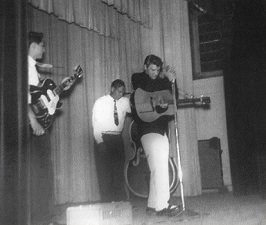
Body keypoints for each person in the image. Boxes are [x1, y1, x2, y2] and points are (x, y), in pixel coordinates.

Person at [131, 54, 180, 216]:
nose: (155, 73)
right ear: (145, 66)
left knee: (158, 167)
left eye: (158, 70)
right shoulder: (138, 78)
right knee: (159, 167)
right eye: (152, 69)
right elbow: (146, 88)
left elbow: (173, 99)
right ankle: (162, 206)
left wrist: (172, 81)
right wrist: (163, 82)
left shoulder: (161, 81)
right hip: (146, 129)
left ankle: (152, 204)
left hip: (161, 128)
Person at [92, 79, 131, 202]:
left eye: (123, 92)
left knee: (118, 171)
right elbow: (96, 123)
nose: (121, 94)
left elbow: (137, 108)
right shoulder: (100, 102)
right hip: (103, 138)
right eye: (119, 92)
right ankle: (107, 204)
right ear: (112, 89)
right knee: (104, 173)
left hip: (117, 139)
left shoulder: (125, 102)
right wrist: (100, 142)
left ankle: (120, 203)